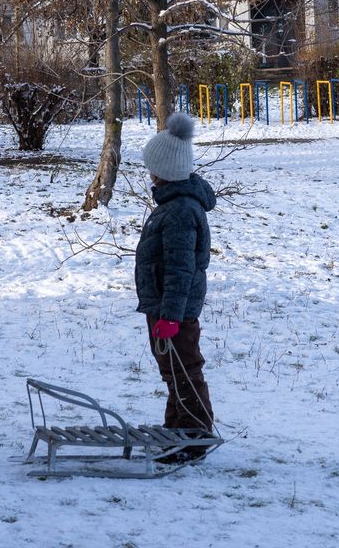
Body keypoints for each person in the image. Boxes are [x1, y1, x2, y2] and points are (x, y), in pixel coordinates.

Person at [135, 112, 216, 459]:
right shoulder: (173, 204)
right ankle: (176, 427)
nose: (150, 175)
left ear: (165, 171)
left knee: (184, 368)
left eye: (153, 169)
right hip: (164, 306)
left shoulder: (181, 211)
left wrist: (170, 315)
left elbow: (181, 269)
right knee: (173, 370)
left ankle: (196, 435)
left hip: (174, 310)